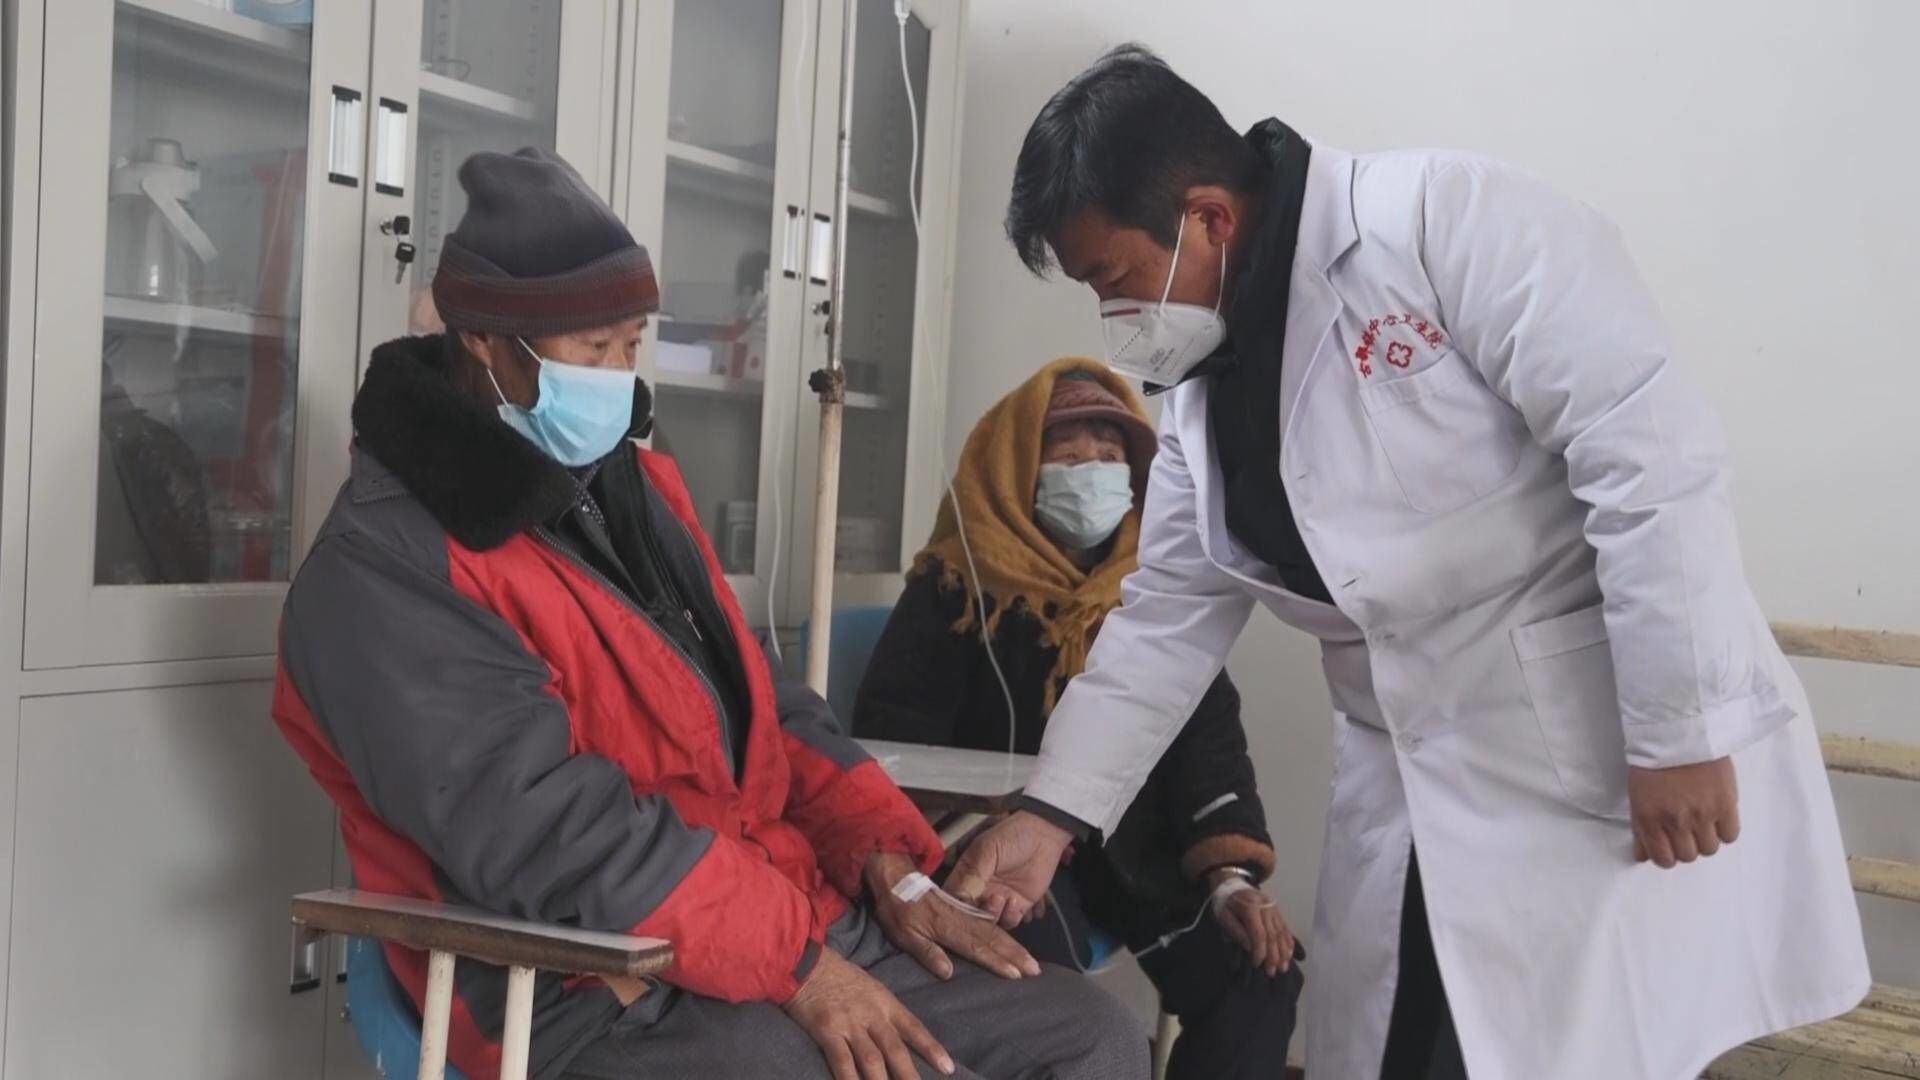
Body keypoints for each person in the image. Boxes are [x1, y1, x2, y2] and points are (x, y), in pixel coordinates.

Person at [948, 45, 1871, 1080]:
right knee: (1403, 1048)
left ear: (1208, 218)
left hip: (1583, 754)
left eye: (1113, 280)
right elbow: (1164, 619)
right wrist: (1051, 816)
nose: (1113, 320)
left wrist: (1680, 731)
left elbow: (1648, 456)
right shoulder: (1208, 382)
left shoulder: (1442, 222)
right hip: (1408, 773)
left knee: (1559, 1050)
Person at [271, 147, 1147, 1080]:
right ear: (485, 341)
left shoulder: (626, 488)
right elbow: (546, 832)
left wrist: (883, 857)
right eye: (592, 351)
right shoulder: (383, 566)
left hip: (767, 915)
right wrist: (795, 962)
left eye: (632, 344)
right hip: (584, 976)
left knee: (1094, 1036)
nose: (618, 376)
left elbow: (763, 707)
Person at [854, 359, 1302, 1080]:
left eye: (1108, 457)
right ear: (1016, 471)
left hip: (1141, 854)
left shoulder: (1153, 596)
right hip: (998, 856)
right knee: (1044, 994)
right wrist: (982, 838)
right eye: (1067, 458)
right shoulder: (955, 587)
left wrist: (1230, 877)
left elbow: (1207, 738)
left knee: (1259, 970)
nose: (1091, 474)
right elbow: (895, 742)